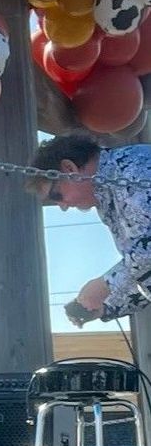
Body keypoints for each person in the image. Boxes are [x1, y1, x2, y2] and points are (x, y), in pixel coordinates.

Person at [28, 134, 151, 325]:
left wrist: (105, 285)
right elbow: (143, 271)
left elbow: (147, 251)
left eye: (56, 195)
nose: (63, 206)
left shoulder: (137, 167)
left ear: (69, 169)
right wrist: (105, 307)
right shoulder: (108, 200)